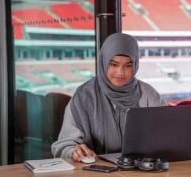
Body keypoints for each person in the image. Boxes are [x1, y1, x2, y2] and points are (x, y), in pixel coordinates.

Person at [51, 33, 166, 161]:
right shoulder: (84, 96)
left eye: (128, 65)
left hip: (142, 169)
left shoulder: (148, 94)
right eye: (114, 64)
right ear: (104, 62)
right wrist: (74, 151)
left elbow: (168, 133)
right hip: (96, 171)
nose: (120, 72)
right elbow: (65, 144)